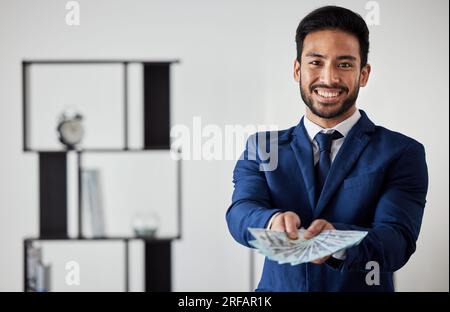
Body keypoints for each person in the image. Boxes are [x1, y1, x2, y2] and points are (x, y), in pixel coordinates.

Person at [226, 5, 428, 291]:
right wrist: (271, 221)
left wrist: (338, 242)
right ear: (297, 70)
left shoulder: (402, 152)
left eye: (344, 64)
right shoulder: (262, 147)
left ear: (364, 74)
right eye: (316, 62)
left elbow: (397, 240)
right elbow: (240, 212)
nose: (329, 78)